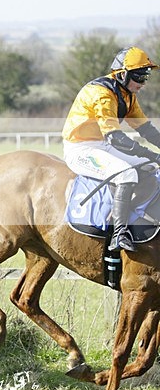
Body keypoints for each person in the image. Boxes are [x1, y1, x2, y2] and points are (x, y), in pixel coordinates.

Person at [62, 46, 160, 252]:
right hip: (81, 149)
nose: (143, 83)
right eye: (140, 77)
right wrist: (151, 153)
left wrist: (154, 156)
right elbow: (116, 138)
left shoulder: (127, 94)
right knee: (126, 174)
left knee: (151, 167)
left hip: (102, 146)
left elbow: (146, 130)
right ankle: (119, 233)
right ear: (123, 74)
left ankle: (131, 212)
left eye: (146, 77)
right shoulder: (102, 94)